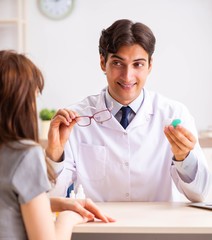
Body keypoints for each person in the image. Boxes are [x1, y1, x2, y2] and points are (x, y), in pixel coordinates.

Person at [46, 19, 211, 202]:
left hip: (158, 228)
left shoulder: (175, 115)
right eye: (117, 63)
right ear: (103, 62)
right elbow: (51, 198)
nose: (127, 76)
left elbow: (200, 195)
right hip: (97, 228)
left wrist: (184, 158)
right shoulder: (75, 119)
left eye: (138, 64)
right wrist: (54, 154)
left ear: (150, 65)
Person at [0, 50, 114, 240]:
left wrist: (56, 204)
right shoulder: (24, 154)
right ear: (21, 102)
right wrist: (69, 217)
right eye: (35, 96)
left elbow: (7, 204)